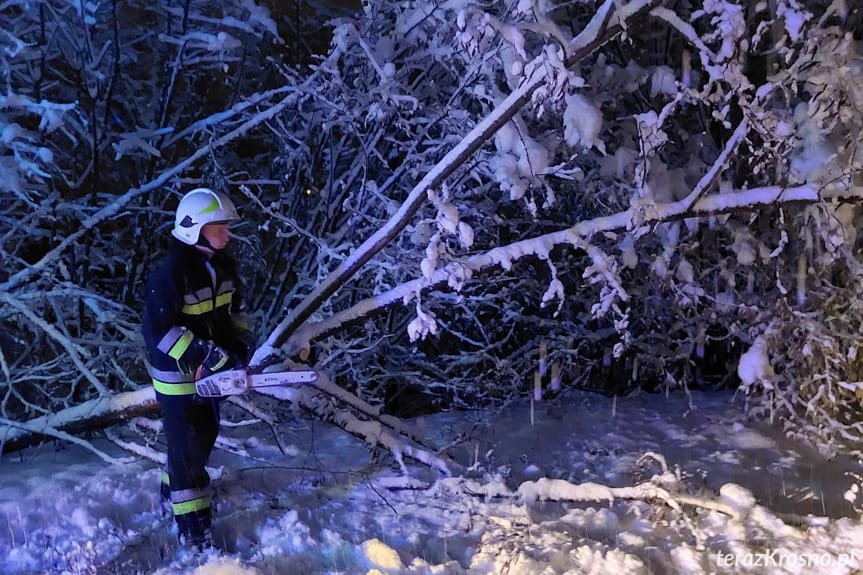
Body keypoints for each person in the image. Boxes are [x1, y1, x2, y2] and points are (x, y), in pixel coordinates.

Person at [142, 187, 251, 550]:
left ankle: (169, 489)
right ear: (196, 229)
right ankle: (194, 530)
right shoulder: (171, 276)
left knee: (199, 441)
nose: (227, 233)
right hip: (178, 380)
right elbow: (159, 331)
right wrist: (204, 355)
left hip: (211, 375)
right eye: (219, 225)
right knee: (187, 449)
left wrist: (238, 352)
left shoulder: (222, 271)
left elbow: (231, 318)